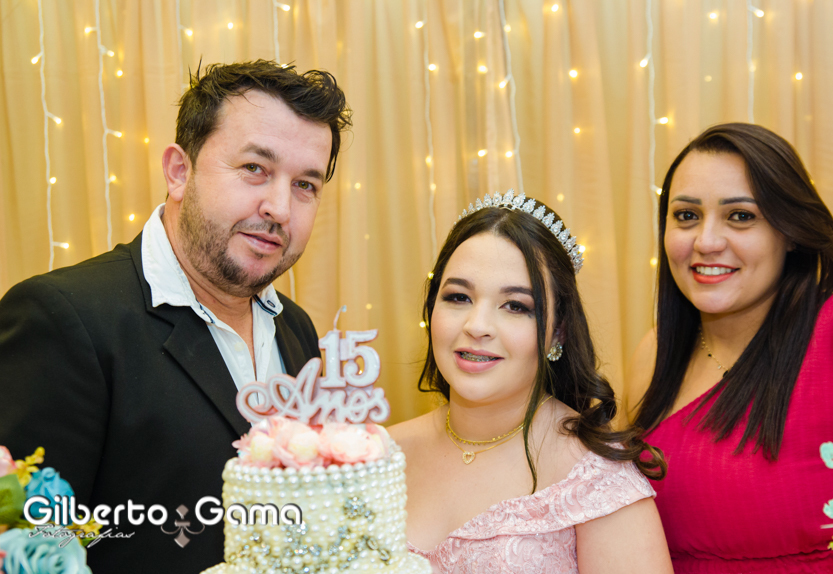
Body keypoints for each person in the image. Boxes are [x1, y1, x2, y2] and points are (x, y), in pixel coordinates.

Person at [0, 60, 351, 573]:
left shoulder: (296, 329)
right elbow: (29, 547)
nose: (279, 207)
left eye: (305, 185)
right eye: (255, 168)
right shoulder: (62, 319)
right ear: (179, 171)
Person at [626, 123, 833, 573]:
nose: (706, 242)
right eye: (687, 215)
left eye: (740, 216)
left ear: (790, 232)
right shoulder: (656, 353)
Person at [390, 191, 673, 574]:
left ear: (558, 331)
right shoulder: (380, 455)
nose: (477, 326)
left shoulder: (598, 481)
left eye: (516, 306)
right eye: (458, 297)